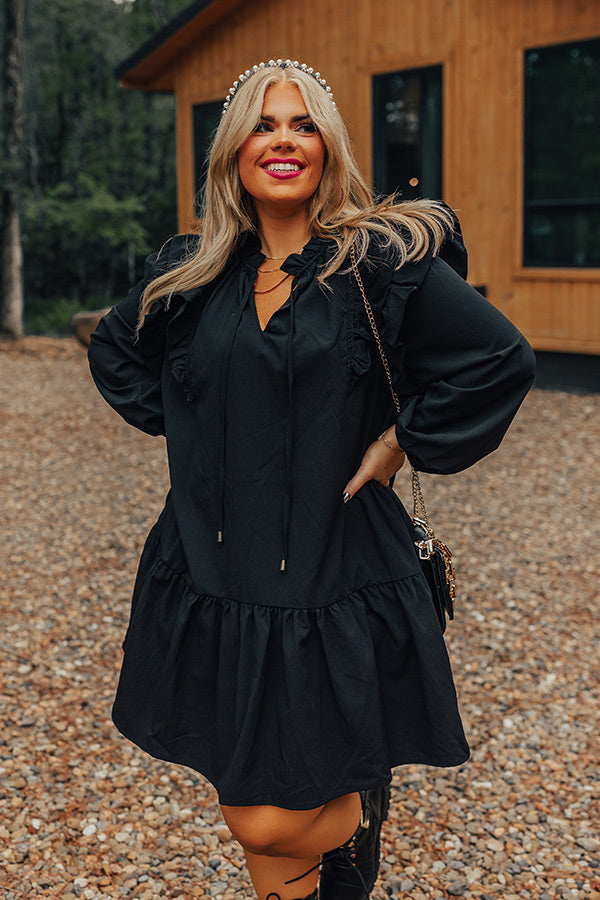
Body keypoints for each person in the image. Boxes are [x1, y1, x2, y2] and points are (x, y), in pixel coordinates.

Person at [88, 59, 535, 900]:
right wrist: (201, 429)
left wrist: (400, 440)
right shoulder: (194, 269)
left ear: (327, 146)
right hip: (217, 564)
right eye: (263, 125)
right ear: (234, 151)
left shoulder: (377, 262)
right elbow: (115, 350)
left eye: (302, 124)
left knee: (269, 819)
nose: (283, 140)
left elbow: (500, 359)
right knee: (252, 797)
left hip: (332, 564)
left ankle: (351, 811)